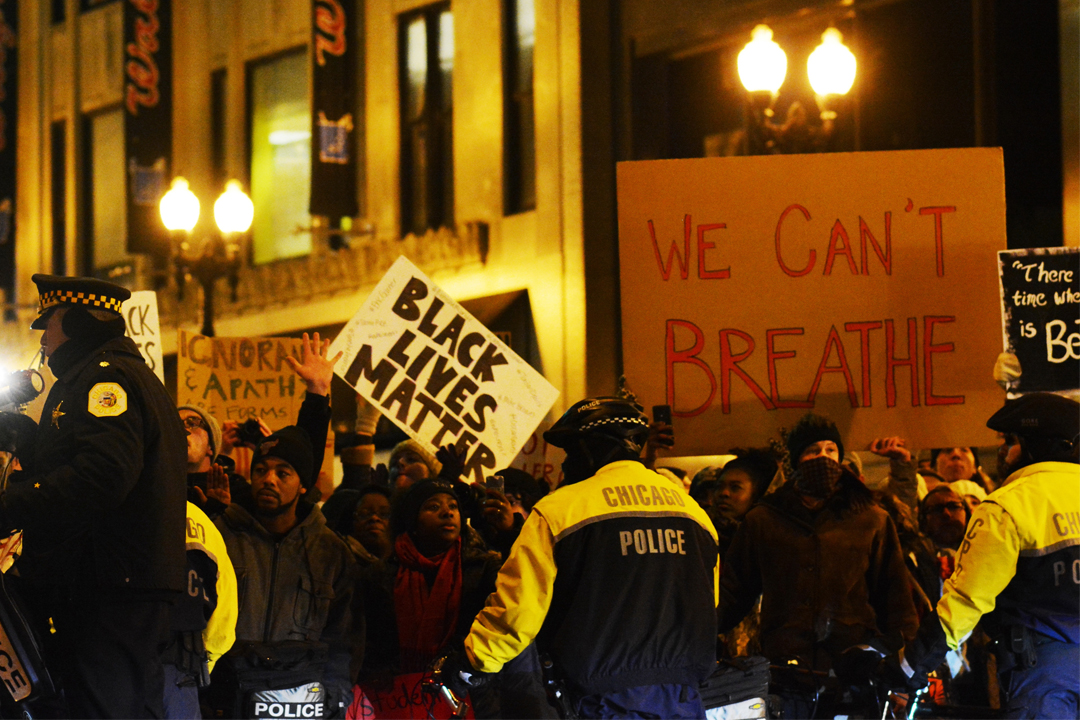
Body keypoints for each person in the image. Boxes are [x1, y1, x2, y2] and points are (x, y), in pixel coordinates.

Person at [450, 397, 719, 719]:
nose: (565, 465)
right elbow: (708, 602)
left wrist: (472, 662)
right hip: (683, 699)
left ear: (594, 448)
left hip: (602, 702)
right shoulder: (694, 513)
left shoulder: (560, 510)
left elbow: (518, 610)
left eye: (571, 451)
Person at [0, 274, 187, 718]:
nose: (43, 338)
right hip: (120, 585)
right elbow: (88, 459)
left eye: (51, 323)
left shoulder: (106, 380)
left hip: (110, 589)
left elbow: (103, 475)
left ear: (81, 324)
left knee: (102, 708)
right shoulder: (109, 374)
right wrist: (27, 439)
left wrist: (9, 506)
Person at [718, 412, 918, 717]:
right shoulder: (765, 520)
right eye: (813, 451)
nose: (823, 458)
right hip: (785, 672)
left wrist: (905, 670)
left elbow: (896, 598)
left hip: (853, 673)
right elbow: (732, 591)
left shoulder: (871, 519)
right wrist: (696, 635)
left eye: (830, 450)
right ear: (796, 460)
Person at [894, 392, 1080, 719]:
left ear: (1040, 444)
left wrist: (910, 665)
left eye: (1011, 440)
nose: (1002, 451)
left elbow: (966, 601)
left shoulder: (1007, 506)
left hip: (1045, 677)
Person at [209, 426, 358, 719]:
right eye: (261, 470)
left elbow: (345, 638)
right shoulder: (220, 536)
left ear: (303, 484)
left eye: (283, 473)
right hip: (226, 702)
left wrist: (333, 699)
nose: (268, 480)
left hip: (302, 705)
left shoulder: (330, 551)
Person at [162, 501, 238, 719]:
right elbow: (224, 615)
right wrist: (205, 662)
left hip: (101, 669)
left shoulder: (98, 503)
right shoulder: (196, 518)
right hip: (177, 674)